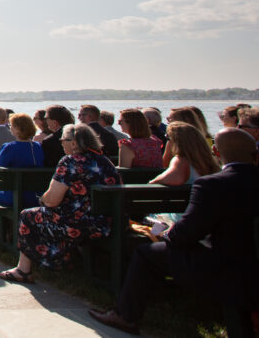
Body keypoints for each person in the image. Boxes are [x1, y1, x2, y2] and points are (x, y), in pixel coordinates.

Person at [89, 129, 259, 334]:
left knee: (146, 253)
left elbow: (187, 234)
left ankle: (126, 315)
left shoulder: (212, 185)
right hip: (246, 261)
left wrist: (166, 235)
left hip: (223, 264)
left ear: (215, 150)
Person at [0, 123, 120, 284]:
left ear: (74, 143)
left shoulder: (70, 162)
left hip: (76, 224)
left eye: (63, 140)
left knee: (28, 215)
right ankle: (61, 259)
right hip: (104, 222)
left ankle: (24, 270)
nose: (61, 143)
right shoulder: (105, 161)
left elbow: (52, 200)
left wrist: (42, 199)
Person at [0, 113, 44, 208]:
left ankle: (3, 223)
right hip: (35, 196)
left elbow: (0, 174)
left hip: (14, 195)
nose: (10, 128)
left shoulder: (8, 147)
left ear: (17, 129)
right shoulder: (38, 147)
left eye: (11, 126)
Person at [149, 122, 219, 188]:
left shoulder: (181, 161)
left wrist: (152, 181)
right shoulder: (209, 161)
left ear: (175, 141)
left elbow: (167, 179)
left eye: (167, 137)